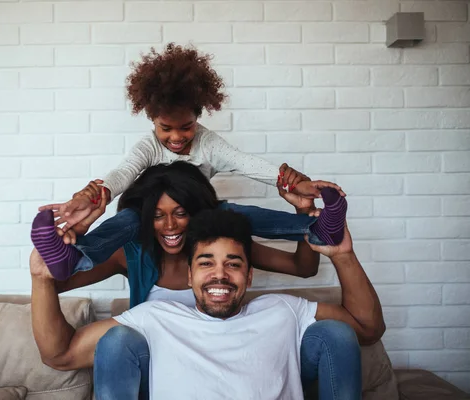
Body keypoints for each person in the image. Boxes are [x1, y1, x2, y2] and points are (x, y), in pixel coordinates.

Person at [31, 162, 363, 400]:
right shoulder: (132, 257)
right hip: (164, 373)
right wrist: (73, 241)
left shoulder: (224, 255)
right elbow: (55, 282)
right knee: (115, 333)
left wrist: (305, 218)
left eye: (180, 213)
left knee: (232, 214)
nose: (170, 226)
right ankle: (78, 250)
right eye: (158, 215)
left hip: (236, 363)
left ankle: (316, 227)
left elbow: (302, 267)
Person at [32, 43, 348, 282]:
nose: (176, 137)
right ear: (151, 119)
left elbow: (244, 163)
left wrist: (296, 184)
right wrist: (88, 195)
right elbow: (123, 174)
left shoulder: (208, 143)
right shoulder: (148, 146)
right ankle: (73, 258)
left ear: (198, 116)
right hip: (148, 213)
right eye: (165, 128)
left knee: (240, 216)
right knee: (125, 222)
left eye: (186, 126)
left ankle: (319, 229)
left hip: (201, 211)